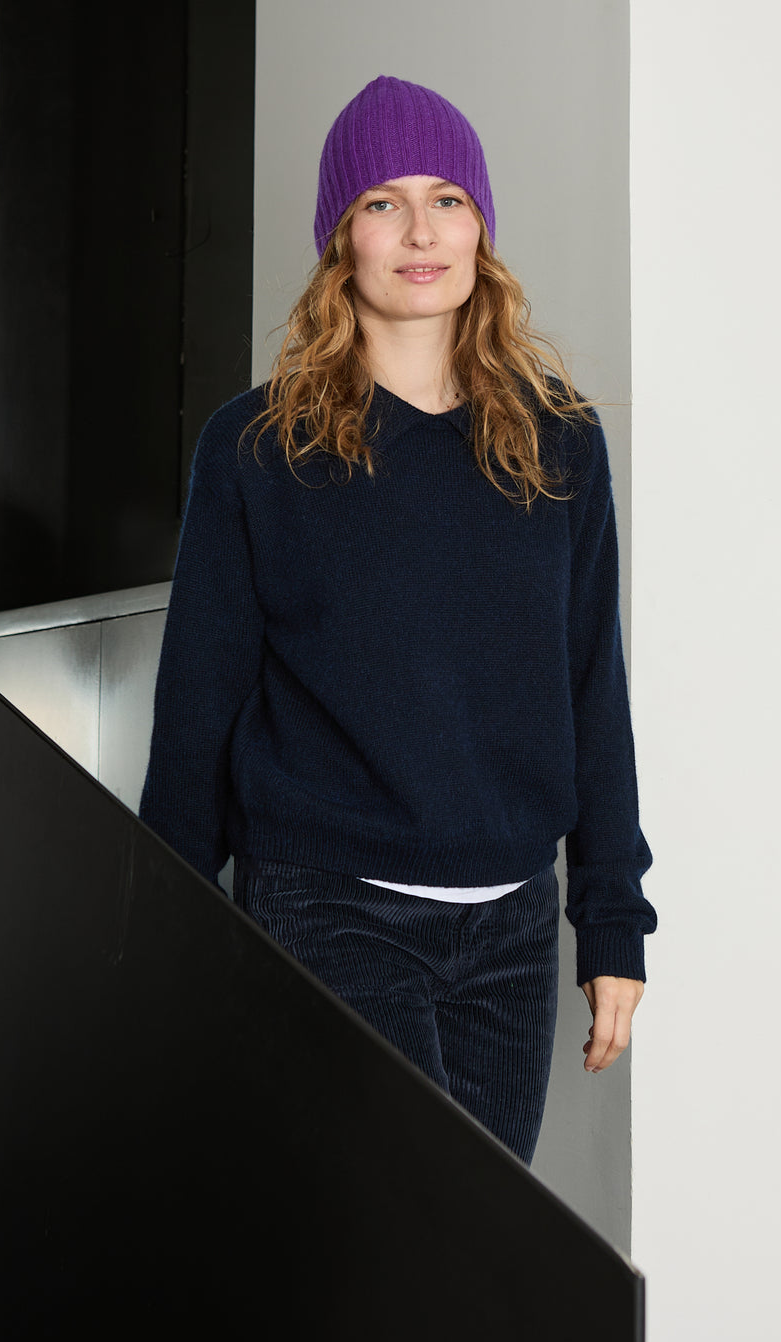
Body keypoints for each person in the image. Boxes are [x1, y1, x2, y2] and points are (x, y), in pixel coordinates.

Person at [140, 75, 655, 1166]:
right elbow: (197, 706)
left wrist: (611, 920)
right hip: (330, 911)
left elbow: (591, 684)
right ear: (342, 240)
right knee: (391, 1228)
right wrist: (161, 934)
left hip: (513, 926)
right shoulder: (257, 449)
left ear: (480, 230)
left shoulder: (560, 442)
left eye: (447, 200)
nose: (422, 232)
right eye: (383, 202)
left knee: (473, 1248)